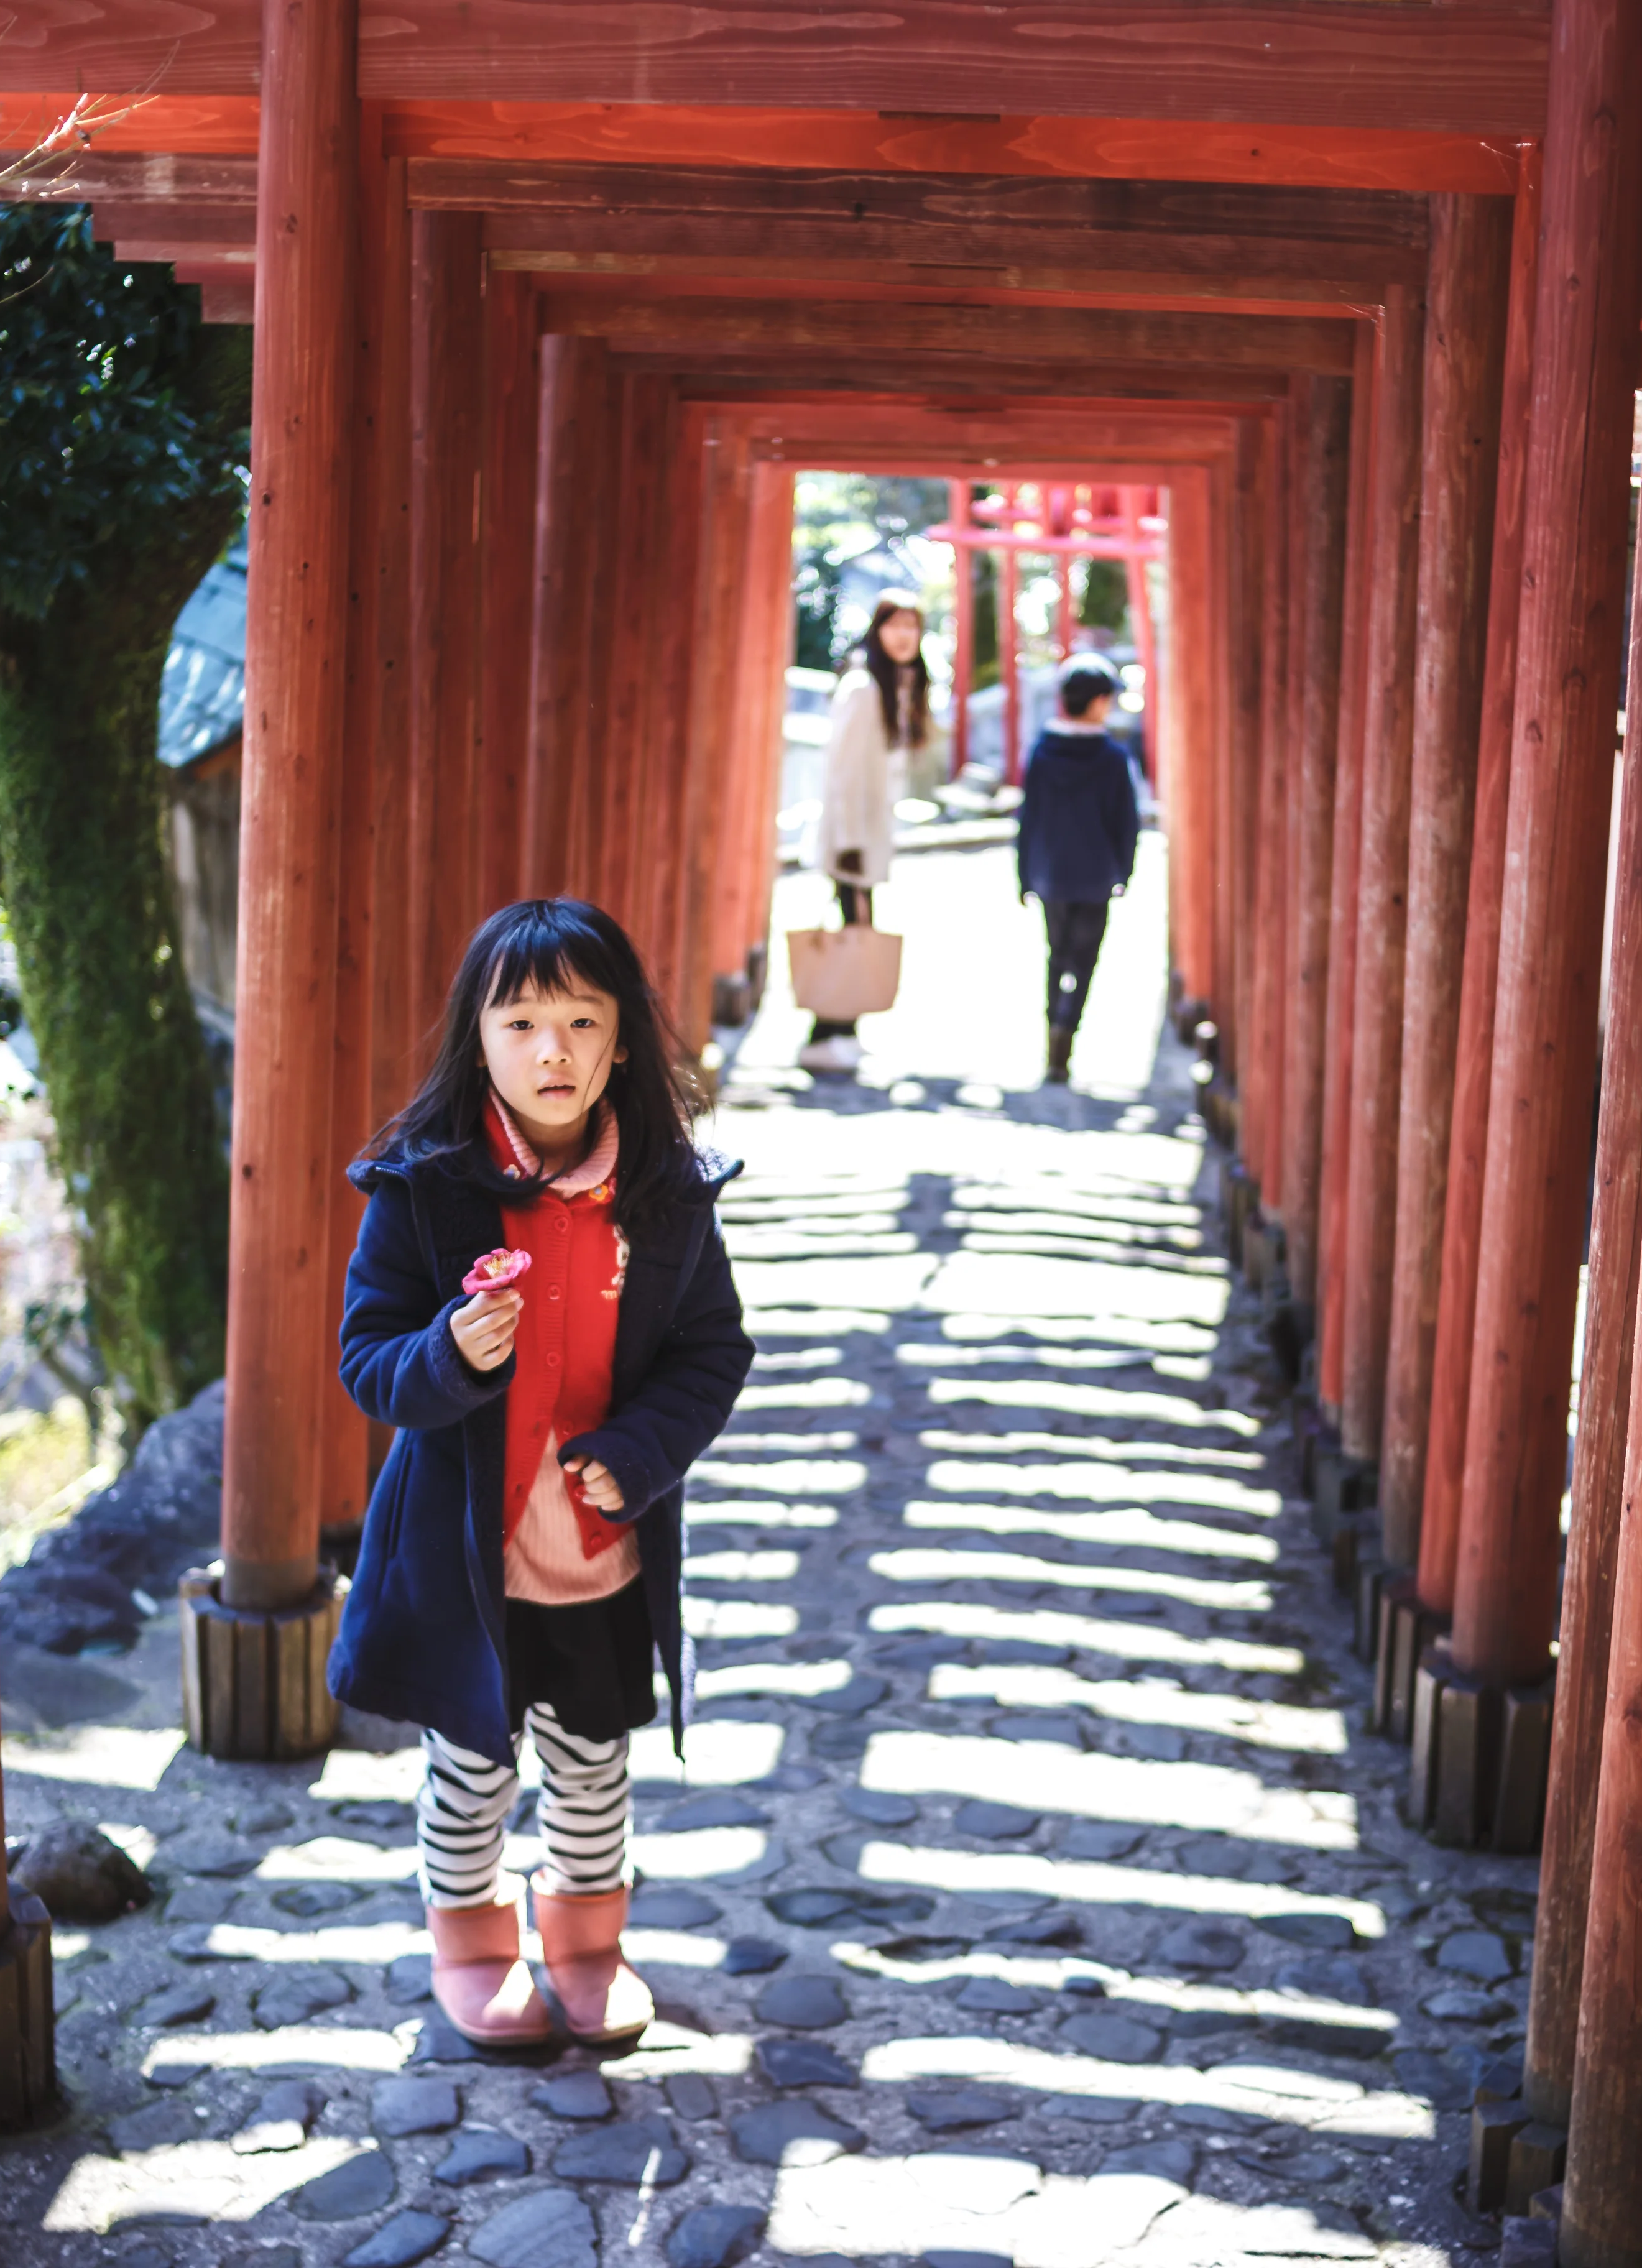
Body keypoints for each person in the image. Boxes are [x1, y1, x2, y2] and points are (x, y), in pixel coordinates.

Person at [328, 898, 753, 2057]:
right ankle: (471, 1947)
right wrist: (448, 1354)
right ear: (478, 1042)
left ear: (623, 1043)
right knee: (471, 1772)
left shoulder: (666, 1195)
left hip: (599, 1554)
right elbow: (368, 1361)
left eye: (582, 1021)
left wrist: (641, 1451)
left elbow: (713, 1351)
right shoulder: (423, 1190)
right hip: (464, 1561)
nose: (551, 1050)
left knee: (594, 1768)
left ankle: (586, 1943)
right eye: (519, 1022)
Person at [799, 596, 937, 1076]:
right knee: (854, 935)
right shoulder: (862, 687)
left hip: (864, 838)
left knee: (856, 933)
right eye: (895, 625)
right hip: (850, 841)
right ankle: (826, 1034)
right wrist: (851, 843)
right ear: (877, 631)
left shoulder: (896, 686)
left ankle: (841, 1031)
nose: (904, 635)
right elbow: (842, 772)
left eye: (913, 627)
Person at [1015, 653, 1144, 1084]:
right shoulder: (1112, 758)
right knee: (1085, 962)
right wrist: (1124, 872)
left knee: (1056, 956)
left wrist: (1024, 875)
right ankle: (1066, 1037)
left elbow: (1029, 819)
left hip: (1051, 875)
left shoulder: (1042, 753)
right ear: (1098, 701)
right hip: (1095, 877)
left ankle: (1053, 1032)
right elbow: (1126, 823)